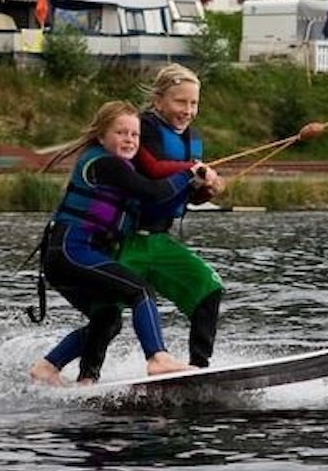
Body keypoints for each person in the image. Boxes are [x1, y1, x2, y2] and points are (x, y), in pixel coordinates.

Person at [28, 100, 207, 386]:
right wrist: (189, 173)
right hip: (71, 252)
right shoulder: (106, 163)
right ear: (101, 136)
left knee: (108, 319)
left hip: (70, 257)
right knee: (140, 290)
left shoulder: (117, 168)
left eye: (134, 135)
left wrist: (198, 191)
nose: (129, 139)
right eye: (121, 133)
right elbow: (152, 191)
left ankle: (51, 368)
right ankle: (158, 359)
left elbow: (148, 199)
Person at [77, 64, 226, 376]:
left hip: (159, 240)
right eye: (180, 102)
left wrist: (208, 190)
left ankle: (198, 369)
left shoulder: (193, 139)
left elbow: (187, 196)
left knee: (208, 289)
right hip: (124, 241)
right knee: (107, 317)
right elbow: (156, 171)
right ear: (158, 102)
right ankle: (85, 377)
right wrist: (194, 171)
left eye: (194, 103)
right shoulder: (142, 129)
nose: (188, 110)